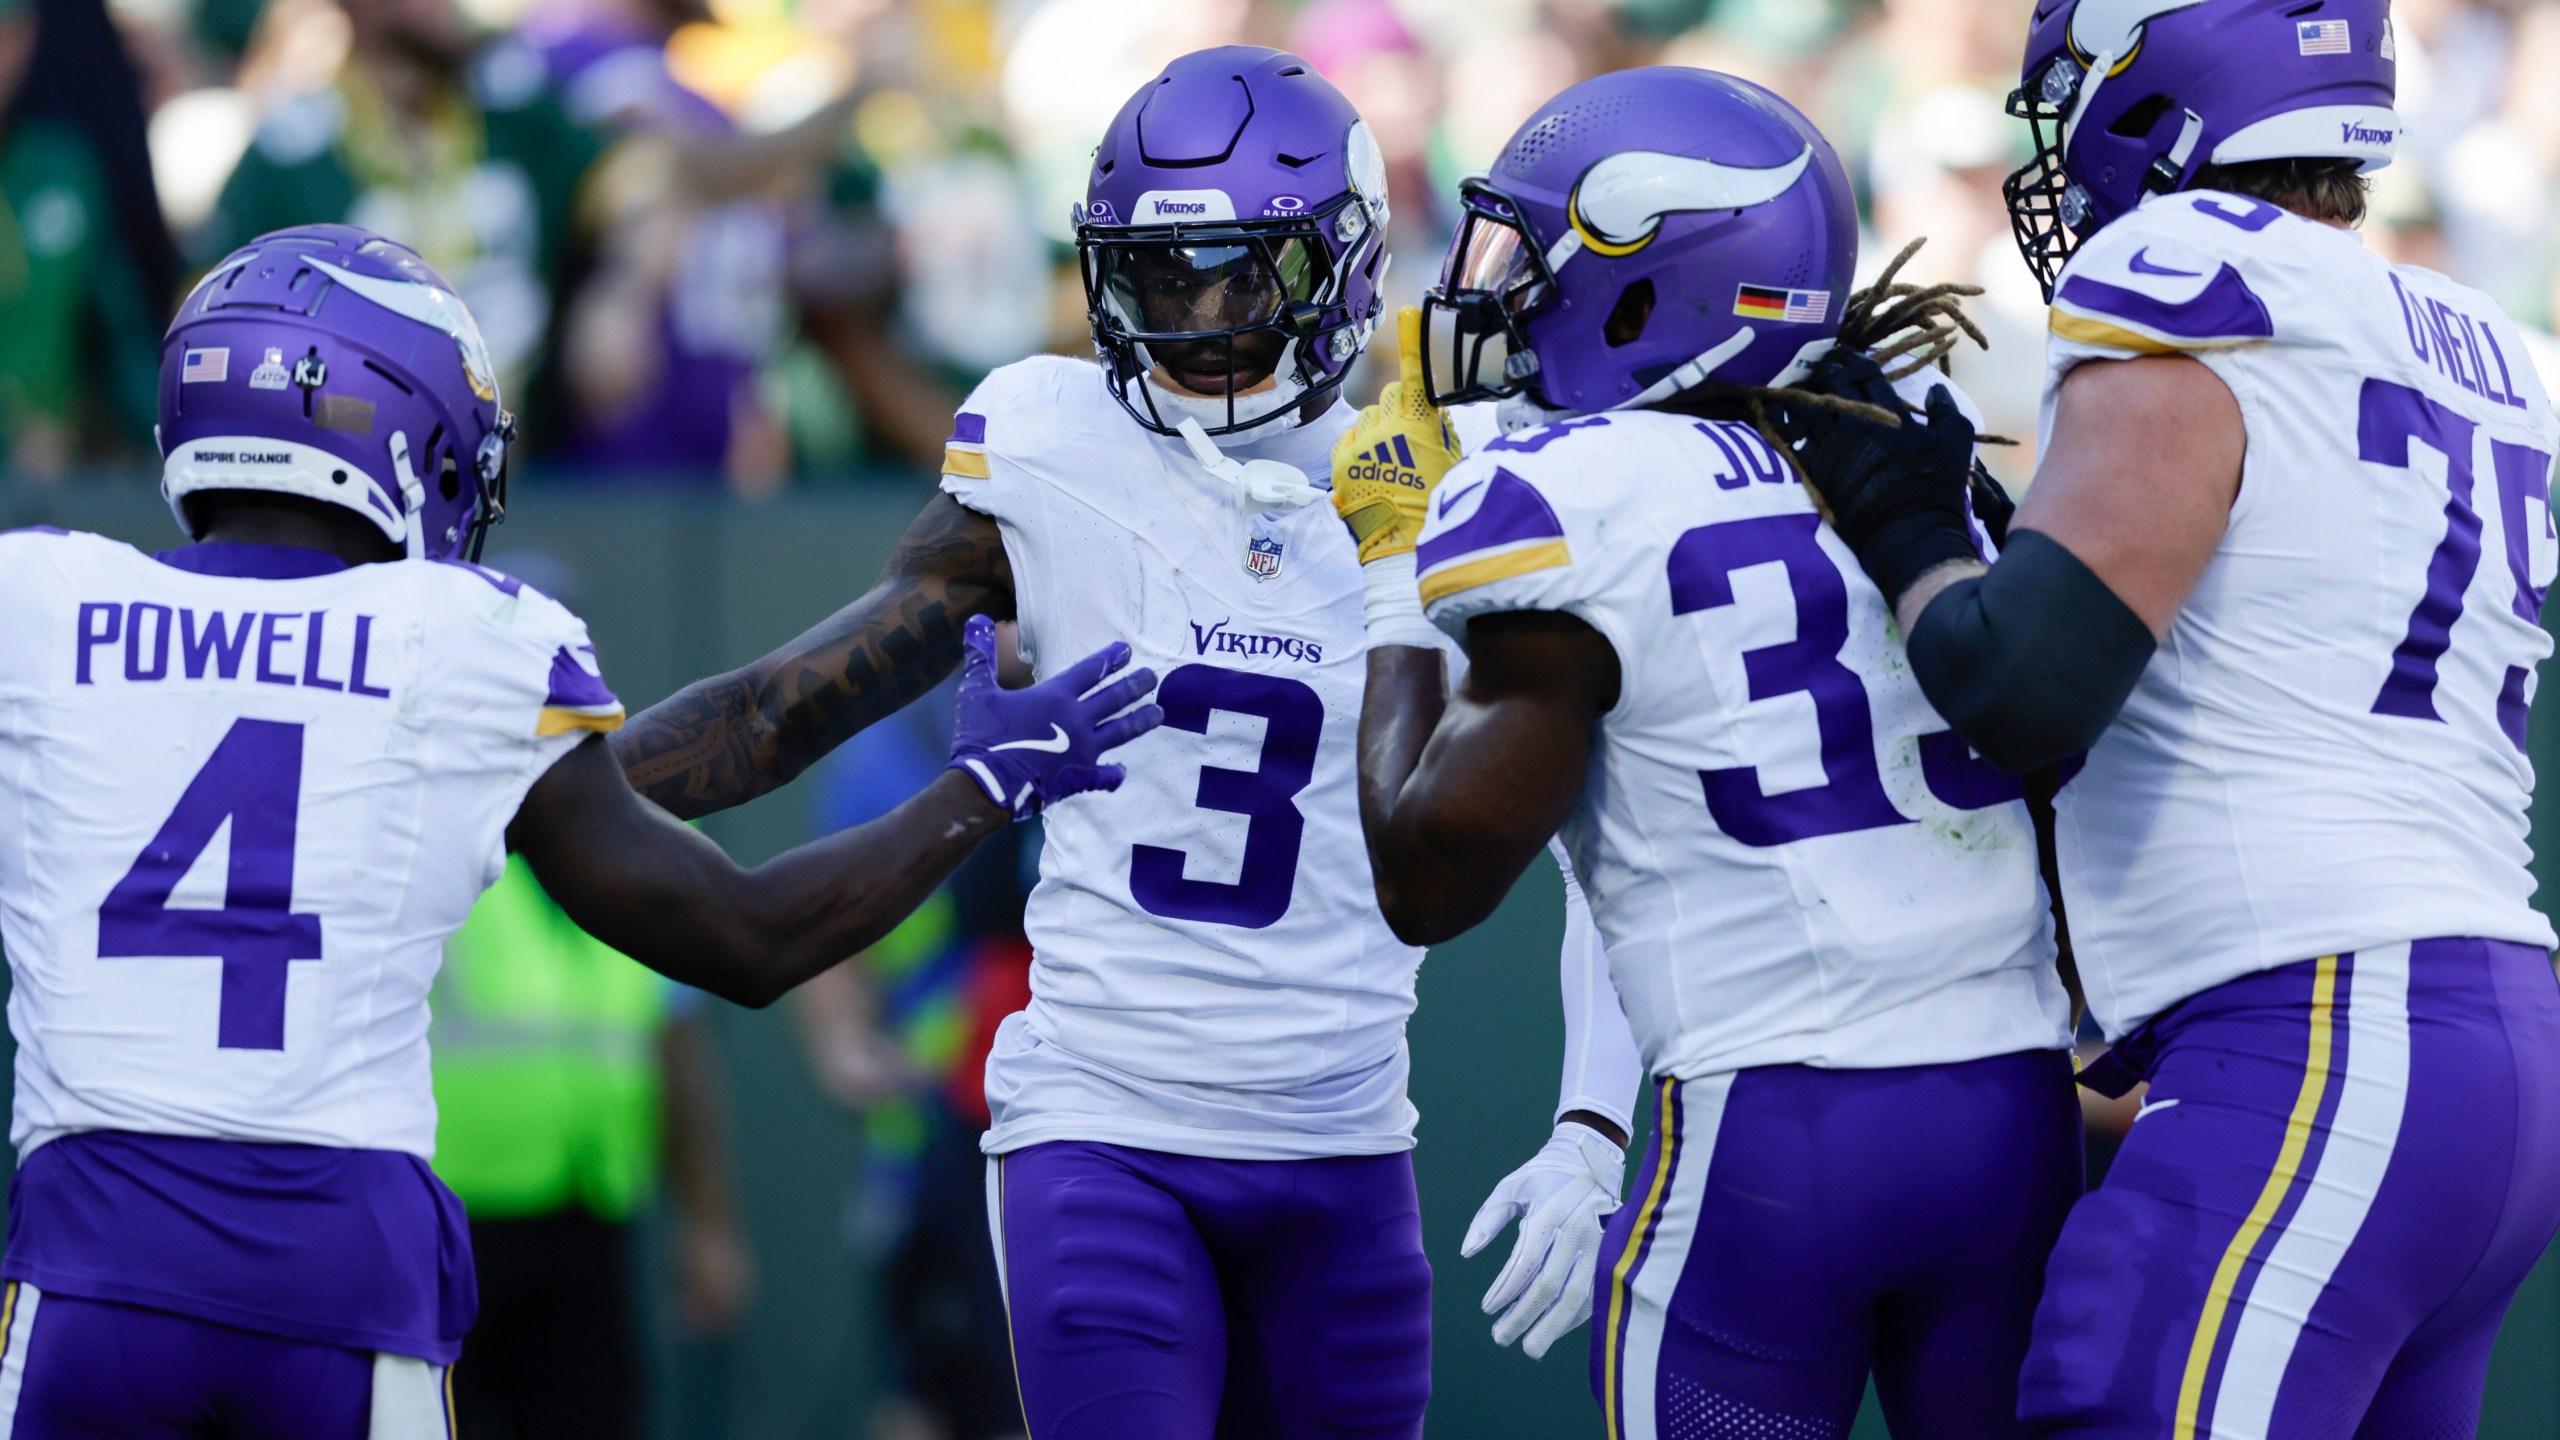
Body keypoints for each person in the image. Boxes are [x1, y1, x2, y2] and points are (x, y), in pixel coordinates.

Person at [607, 45, 1645, 1439]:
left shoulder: (1457, 472)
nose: (1199, 319)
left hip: (1343, 1141)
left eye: (1240, 275)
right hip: (1105, 1129)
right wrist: (546, 791)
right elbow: (781, 710)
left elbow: (1607, 847)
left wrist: (1593, 1125)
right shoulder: (1052, 444)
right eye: (1160, 278)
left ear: (1337, 266)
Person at [0, 222, 1158, 1434]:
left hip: (95, 1256)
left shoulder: (42, 601)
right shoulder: (463, 643)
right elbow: (749, 935)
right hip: (336, 1271)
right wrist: (978, 789)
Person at [1784, 1, 2560, 1433]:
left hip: (2322, 1024)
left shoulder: (2182, 260)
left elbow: (2021, 686)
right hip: (2485, 1033)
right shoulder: (2482, 333)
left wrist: (1900, 518)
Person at [1336, 68, 2079, 1439]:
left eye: (1530, 255)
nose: (1492, 293)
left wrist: (1393, 572)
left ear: (1641, 288)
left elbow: (1425, 877)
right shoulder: (1912, 476)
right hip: (2015, 1115)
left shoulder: (1569, 493)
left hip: (1778, 1143)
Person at [431, 853, 754, 1439]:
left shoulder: (658, 830)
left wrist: (708, 1222)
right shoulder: (438, 817)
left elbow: (676, 1037)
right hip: (446, 1223)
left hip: (591, 1206)